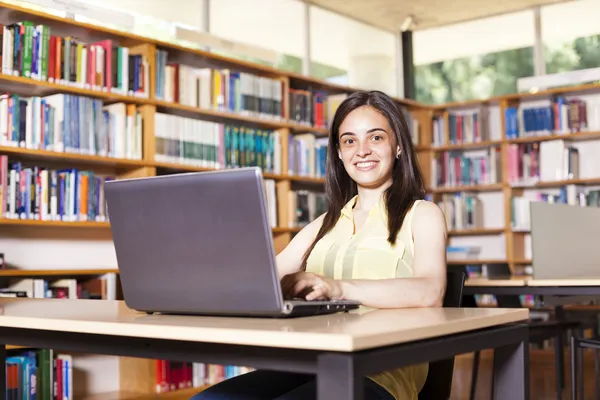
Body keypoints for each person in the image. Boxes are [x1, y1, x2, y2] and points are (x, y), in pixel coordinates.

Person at [192, 90, 448, 400]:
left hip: (380, 374)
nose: (362, 150)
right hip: (310, 362)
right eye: (350, 141)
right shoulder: (323, 224)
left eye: (376, 138)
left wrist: (338, 288)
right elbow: (262, 279)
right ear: (339, 153)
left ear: (397, 147)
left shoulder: (423, 215)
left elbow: (430, 292)